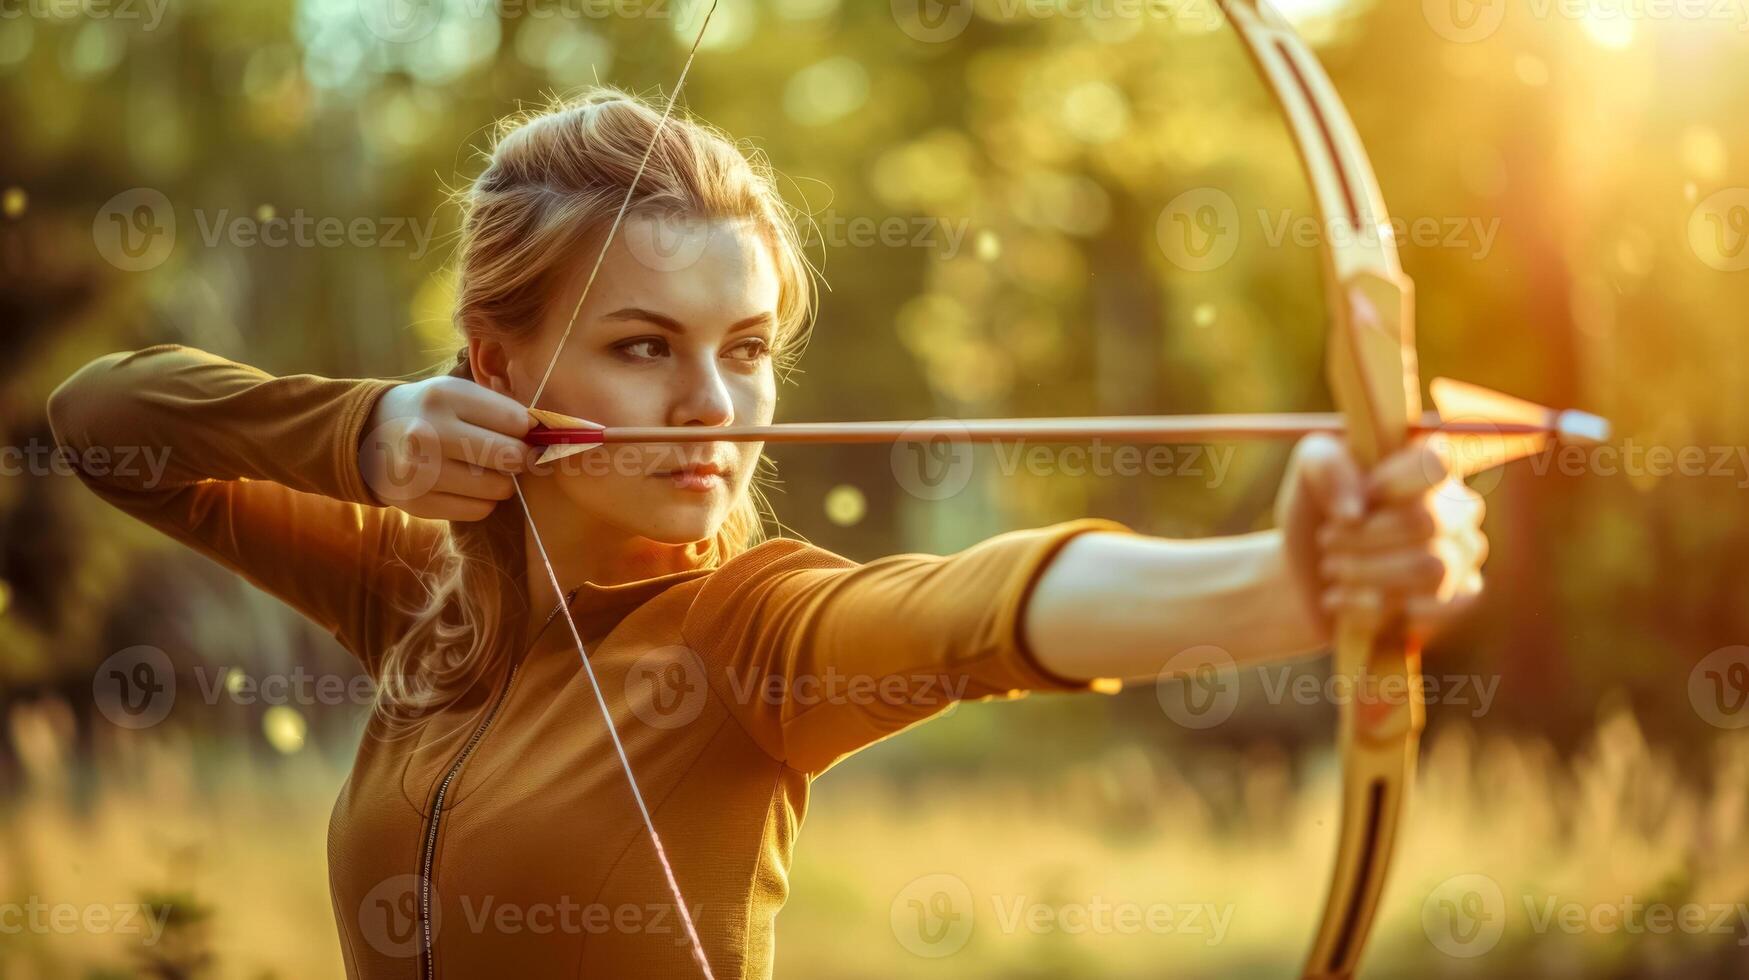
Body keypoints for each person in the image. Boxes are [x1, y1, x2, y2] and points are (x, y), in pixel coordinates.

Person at [47, 90, 1487, 980]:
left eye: (745, 348)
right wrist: (361, 431)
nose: (711, 407)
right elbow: (102, 414)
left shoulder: (748, 635)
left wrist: (1287, 581)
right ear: (496, 364)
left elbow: (978, 612)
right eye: (640, 346)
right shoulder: (417, 587)